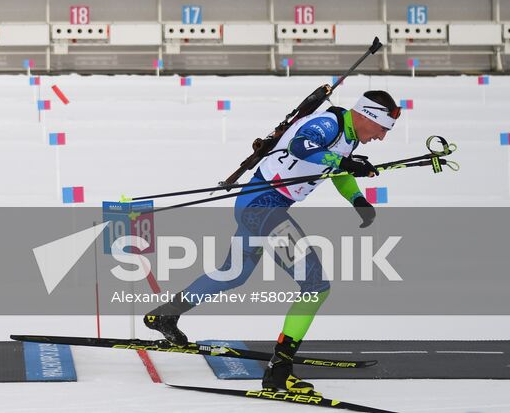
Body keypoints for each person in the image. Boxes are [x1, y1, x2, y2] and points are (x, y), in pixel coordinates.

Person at [143, 89, 401, 397]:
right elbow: (302, 147)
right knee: (316, 286)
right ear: (367, 115)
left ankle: (165, 315)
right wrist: (346, 163)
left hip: (259, 206)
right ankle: (279, 372)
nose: (382, 137)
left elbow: (339, 169)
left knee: (232, 273)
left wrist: (357, 199)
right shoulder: (329, 125)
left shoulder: (350, 135)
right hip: (264, 206)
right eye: (383, 128)